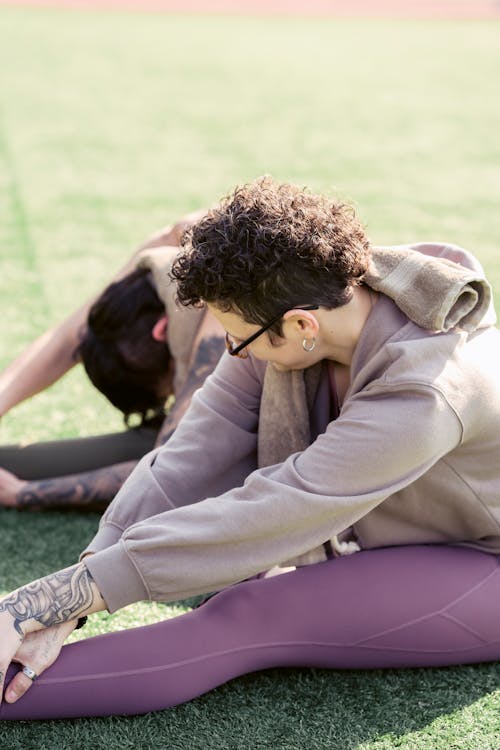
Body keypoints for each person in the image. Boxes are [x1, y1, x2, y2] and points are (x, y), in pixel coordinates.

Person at [0, 176, 499, 721]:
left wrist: (31, 606)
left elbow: (276, 511)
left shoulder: (427, 388)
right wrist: (71, 597)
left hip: (481, 559)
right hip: (392, 533)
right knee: (237, 585)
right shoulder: (307, 308)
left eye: (238, 338)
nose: (233, 352)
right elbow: (192, 452)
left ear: (302, 325)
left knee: (248, 611)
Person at [0, 212, 225, 510]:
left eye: (169, 388)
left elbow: (169, 472)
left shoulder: (219, 325)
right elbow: (74, 337)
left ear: (162, 330)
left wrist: (25, 493)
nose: (175, 397)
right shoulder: (162, 265)